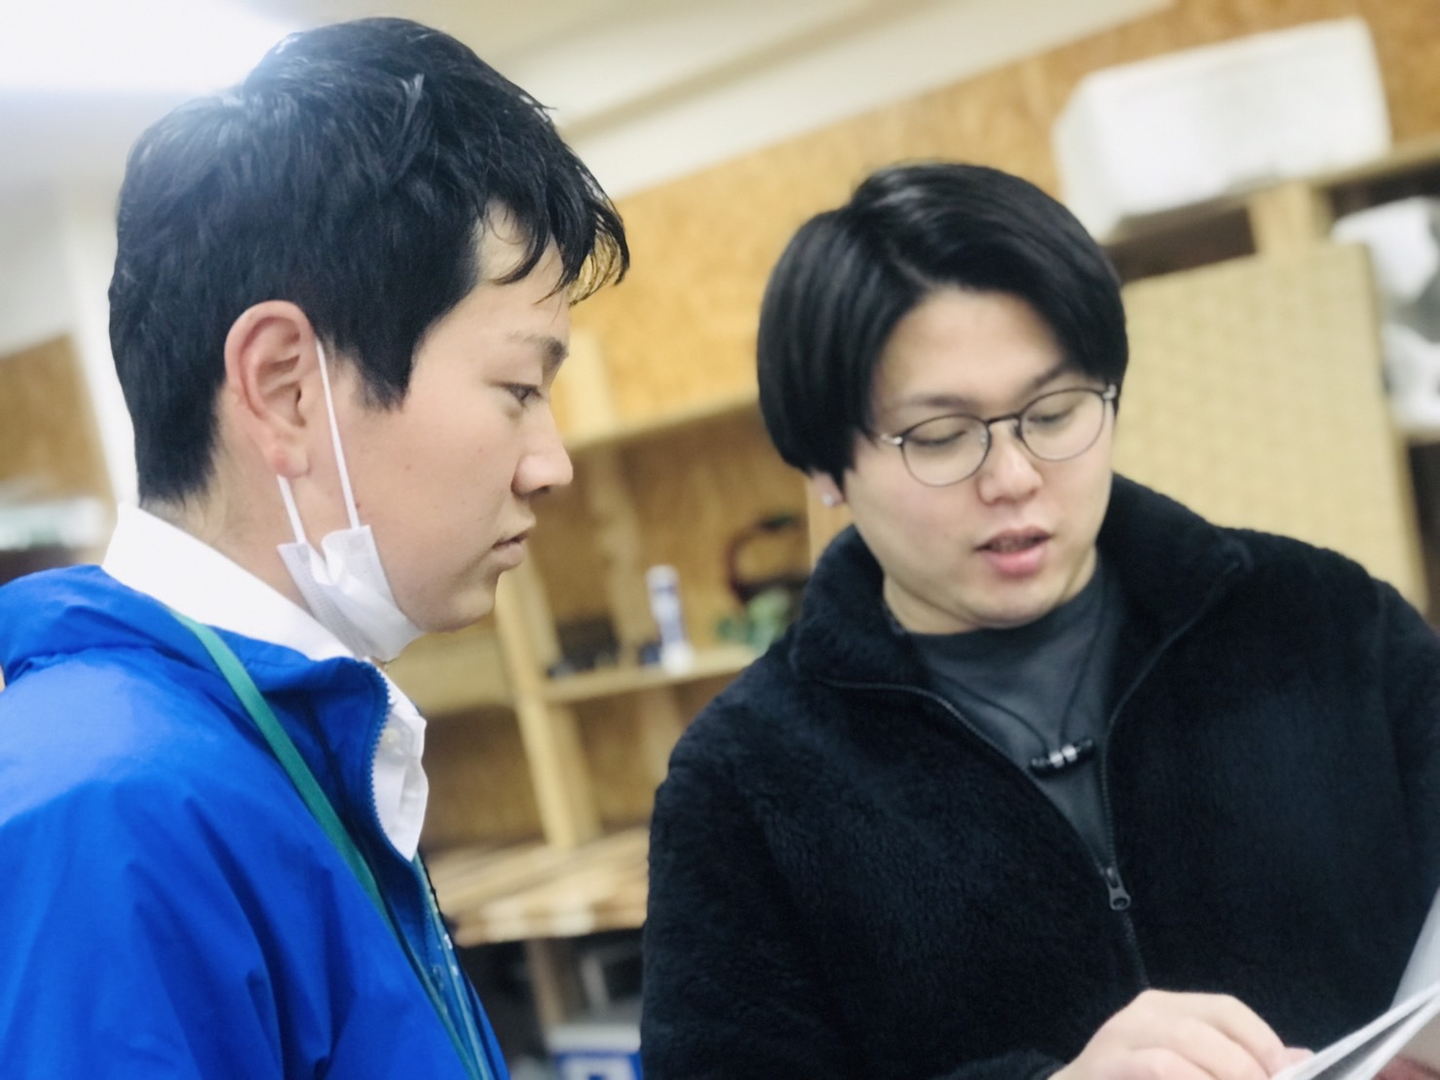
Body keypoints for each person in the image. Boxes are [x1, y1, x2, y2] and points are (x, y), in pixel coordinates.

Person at [641, 162, 1440, 1079]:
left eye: (1055, 414)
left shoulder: (1326, 623)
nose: (1014, 477)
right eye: (941, 436)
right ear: (824, 465)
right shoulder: (743, 783)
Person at [0, 17, 626, 1078]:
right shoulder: (110, 814)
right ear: (287, 389)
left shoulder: (268, 745)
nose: (550, 465)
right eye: (519, 387)